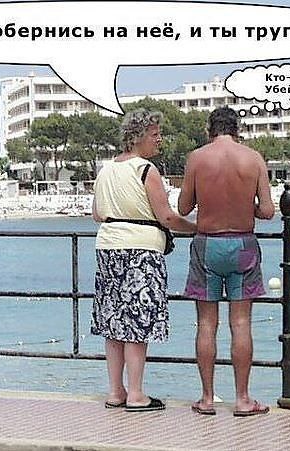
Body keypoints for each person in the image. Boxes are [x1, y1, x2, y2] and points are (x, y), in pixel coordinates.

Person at [92, 109, 197, 412]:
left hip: (108, 247)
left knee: (113, 319)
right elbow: (167, 216)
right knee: (137, 319)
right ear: (137, 137)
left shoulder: (105, 169)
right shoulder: (146, 170)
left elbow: (97, 213)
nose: (159, 140)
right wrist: (197, 228)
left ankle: (116, 391)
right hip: (141, 250)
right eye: (154, 135)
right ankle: (137, 394)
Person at [178, 107, 275, 417]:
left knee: (207, 323)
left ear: (210, 129)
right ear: (237, 129)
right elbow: (268, 210)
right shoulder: (253, 158)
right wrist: (246, 206)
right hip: (243, 244)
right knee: (241, 323)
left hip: (208, 244)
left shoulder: (197, 158)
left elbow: (183, 207)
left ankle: (207, 398)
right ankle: (243, 399)